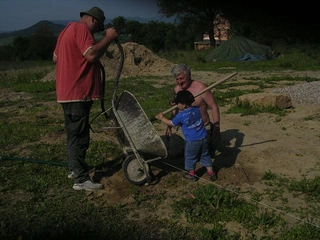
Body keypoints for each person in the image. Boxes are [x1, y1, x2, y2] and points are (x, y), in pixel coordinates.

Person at [52, 6, 118, 191]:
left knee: (73, 134)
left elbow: (55, 58)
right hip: (77, 93)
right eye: (97, 30)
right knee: (80, 136)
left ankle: (75, 169)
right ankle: (81, 179)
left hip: (67, 93)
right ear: (94, 21)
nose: (95, 33)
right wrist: (108, 38)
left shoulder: (66, 30)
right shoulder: (82, 29)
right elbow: (91, 54)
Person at [156, 90, 217, 181]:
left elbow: (171, 123)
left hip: (192, 141)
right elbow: (187, 109)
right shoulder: (196, 109)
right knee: (205, 155)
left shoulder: (181, 116)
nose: (177, 105)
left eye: (178, 103)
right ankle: (211, 173)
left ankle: (192, 174)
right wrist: (177, 102)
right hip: (203, 138)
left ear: (183, 104)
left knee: (190, 157)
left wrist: (162, 118)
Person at [166, 63, 221, 157]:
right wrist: (169, 127)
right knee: (173, 153)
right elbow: (175, 108)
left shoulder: (201, 88)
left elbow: (214, 107)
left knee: (199, 155)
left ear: (189, 75)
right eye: (177, 79)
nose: (180, 82)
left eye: (182, 78)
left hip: (201, 128)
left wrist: (217, 128)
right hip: (185, 128)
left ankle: (210, 139)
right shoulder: (177, 89)